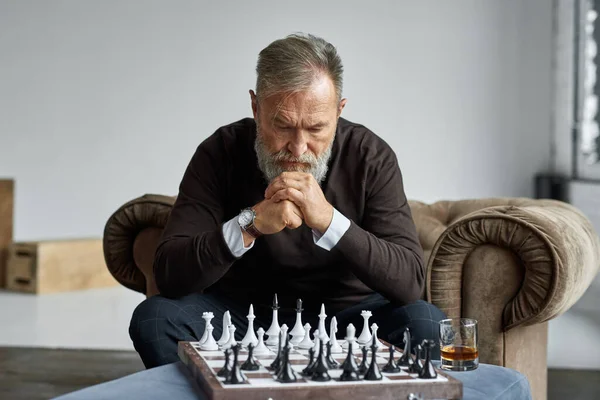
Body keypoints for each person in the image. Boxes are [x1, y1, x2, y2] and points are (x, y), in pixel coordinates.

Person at [129, 32, 446, 369]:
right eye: (282, 125)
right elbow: (169, 275)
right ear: (255, 107)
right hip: (240, 317)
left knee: (428, 324)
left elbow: (410, 282)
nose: (298, 148)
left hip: (350, 318)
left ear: (339, 112)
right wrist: (249, 225)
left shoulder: (371, 157)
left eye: (316, 128)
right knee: (154, 319)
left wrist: (328, 220)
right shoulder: (219, 151)